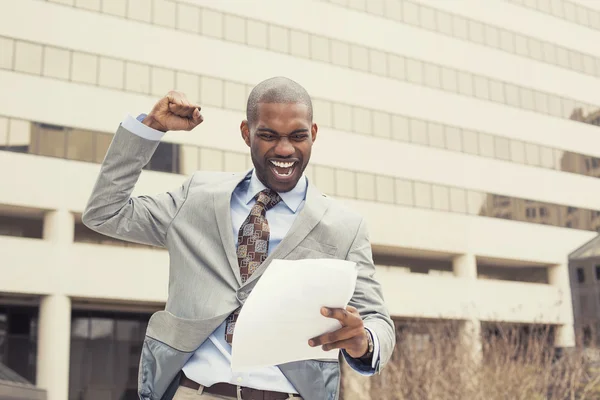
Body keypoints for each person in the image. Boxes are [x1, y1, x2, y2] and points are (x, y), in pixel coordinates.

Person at [83, 77, 395, 400]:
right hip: (196, 392)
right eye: (268, 136)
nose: (285, 149)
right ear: (246, 133)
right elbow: (105, 212)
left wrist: (365, 342)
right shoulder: (197, 198)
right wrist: (150, 129)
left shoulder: (344, 227)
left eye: (298, 136)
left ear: (313, 134)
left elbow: (379, 323)